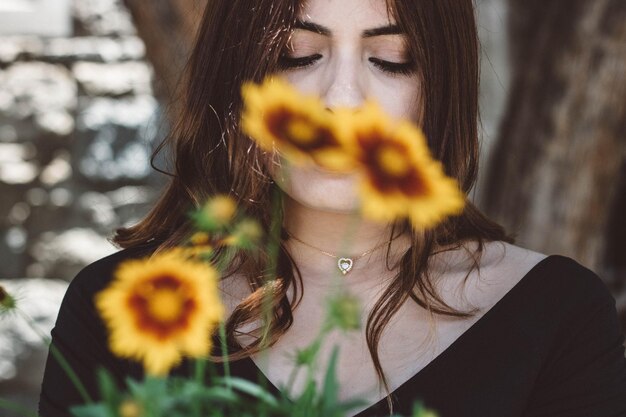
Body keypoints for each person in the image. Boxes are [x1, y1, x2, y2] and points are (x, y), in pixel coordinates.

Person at [39, 1, 626, 416]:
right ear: (235, 77)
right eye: (297, 55)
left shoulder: (554, 315)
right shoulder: (119, 311)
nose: (342, 100)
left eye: (390, 58)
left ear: (440, 86)